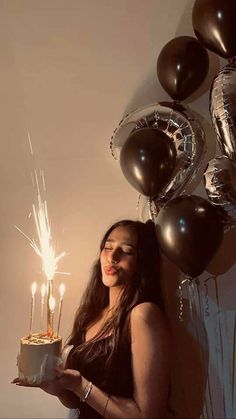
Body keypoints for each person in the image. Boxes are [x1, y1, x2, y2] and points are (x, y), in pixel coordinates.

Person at [16, 219, 173, 418]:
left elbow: (149, 416)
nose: (113, 257)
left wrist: (79, 385)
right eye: (107, 247)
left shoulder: (143, 315)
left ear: (142, 261)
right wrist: (58, 389)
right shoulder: (89, 315)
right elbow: (79, 402)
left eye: (126, 251)